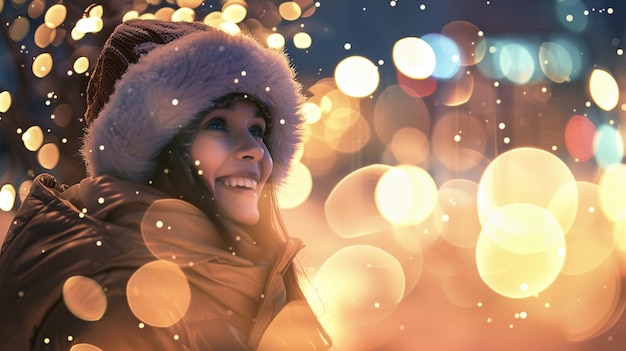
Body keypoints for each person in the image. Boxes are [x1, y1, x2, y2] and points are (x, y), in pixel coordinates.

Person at [0, 19, 331, 350]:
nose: (254, 150)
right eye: (218, 124)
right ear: (152, 145)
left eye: (257, 129)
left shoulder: (227, 277)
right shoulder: (126, 302)